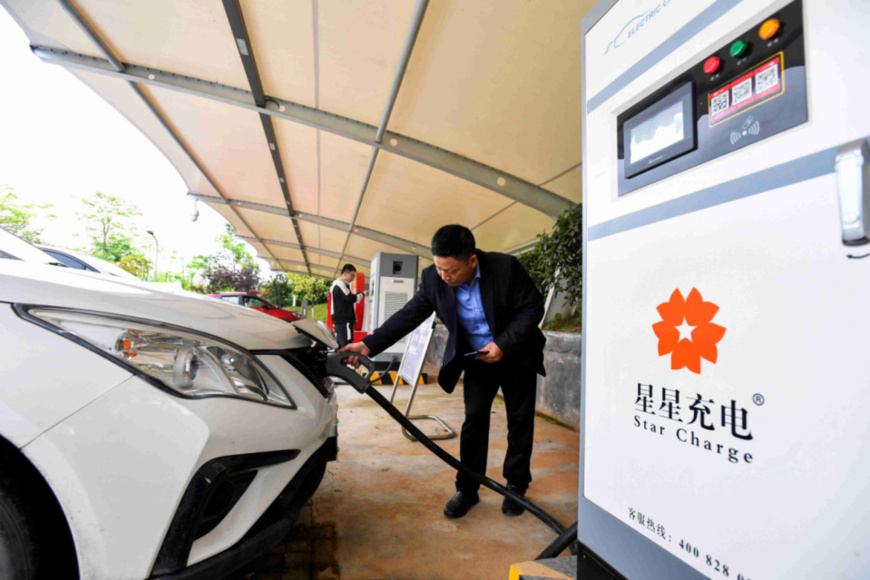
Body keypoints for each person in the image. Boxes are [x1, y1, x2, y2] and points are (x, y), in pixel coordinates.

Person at [339, 225, 546, 519]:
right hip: (478, 358)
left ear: (472, 260)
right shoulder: (432, 279)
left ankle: (515, 486)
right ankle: (467, 488)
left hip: (516, 353)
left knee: (520, 420)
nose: (444, 276)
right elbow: (408, 315)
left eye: (450, 270)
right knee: (474, 420)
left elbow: (532, 309)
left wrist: (503, 344)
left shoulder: (505, 268)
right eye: (439, 268)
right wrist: (369, 346)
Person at [330, 264, 366, 348]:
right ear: (345, 274)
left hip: (340, 320)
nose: (353, 278)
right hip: (343, 320)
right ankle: (342, 360)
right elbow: (351, 298)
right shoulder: (340, 285)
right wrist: (363, 294)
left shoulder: (338, 284)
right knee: (346, 345)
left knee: (340, 344)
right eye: (352, 275)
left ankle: (337, 360)